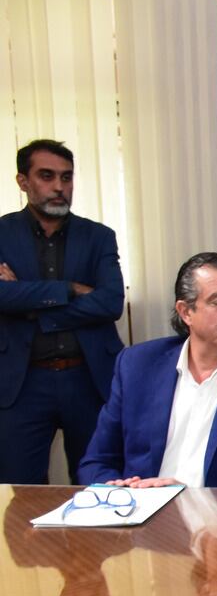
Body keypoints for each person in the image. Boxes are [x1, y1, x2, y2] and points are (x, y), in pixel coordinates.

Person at [78, 252, 217, 487]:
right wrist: (119, 495)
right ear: (186, 312)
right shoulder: (137, 366)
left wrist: (190, 499)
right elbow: (96, 462)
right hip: (140, 513)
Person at [0, 139, 125, 483]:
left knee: (99, 488)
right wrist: (68, 289)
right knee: (21, 493)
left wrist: (27, 303)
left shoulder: (99, 236)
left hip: (87, 378)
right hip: (22, 382)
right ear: (22, 181)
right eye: (46, 176)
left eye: (67, 177)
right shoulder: (1, 234)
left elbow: (110, 302)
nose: (59, 187)